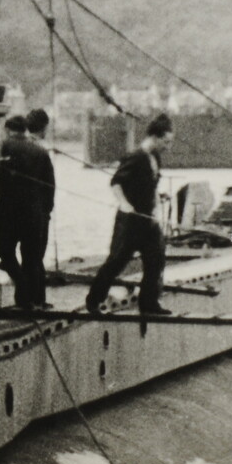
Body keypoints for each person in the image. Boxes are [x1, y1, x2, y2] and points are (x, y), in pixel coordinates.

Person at [85, 113, 175, 316]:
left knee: (156, 260)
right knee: (116, 261)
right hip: (131, 221)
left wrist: (157, 196)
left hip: (149, 221)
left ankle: (149, 303)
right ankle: (93, 300)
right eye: (166, 142)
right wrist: (125, 204)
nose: (168, 147)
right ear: (156, 137)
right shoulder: (136, 157)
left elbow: (146, 185)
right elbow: (116, 183)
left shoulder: (155, 158)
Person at [0, 113, 55, 310]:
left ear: (8, 129)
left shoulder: (3, 147)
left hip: (8, 213)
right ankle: (32, 300)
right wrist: (45, 212)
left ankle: (23, 290)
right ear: (25, 129)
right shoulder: (40, 151)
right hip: (35, 214)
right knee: (32, 259)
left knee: (5, 253)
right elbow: (49, 186)